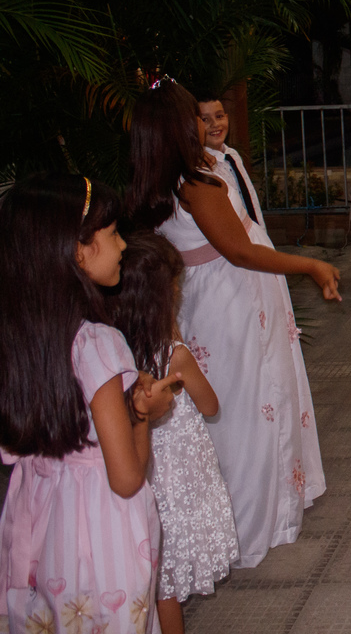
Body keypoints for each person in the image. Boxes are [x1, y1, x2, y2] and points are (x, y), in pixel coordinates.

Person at [126, 79, 339, 569]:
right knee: (249, 404)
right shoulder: (195, 186)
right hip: (232, 302)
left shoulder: (155, 185)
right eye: (193, 115)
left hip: (205, 300)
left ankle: (251, 509)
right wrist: (310, 265)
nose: (202, 122)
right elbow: (240, 252)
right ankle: (251, 520)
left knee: (237, 402)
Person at [0, 174, 179, 634]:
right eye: (113, 233)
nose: (122, 246)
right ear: (76, 251)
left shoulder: (16, 341)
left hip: (39, 523)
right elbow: (126, 478)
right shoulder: (96, 344)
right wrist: (142, 414)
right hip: (99, 532)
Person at [108, 231, 238, 634]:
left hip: (137, 468)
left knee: (152, 574)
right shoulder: (172, 355)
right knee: (166, 585)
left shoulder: (114, 354)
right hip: (176, 480)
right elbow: (210, 405)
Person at [198, 97, 265, 224]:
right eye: (205, 119)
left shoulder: (233, 155)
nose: (215, 124)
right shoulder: (202, 166)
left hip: (255, 231)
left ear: (227, 117)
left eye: (219, 116)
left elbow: (251, 198)